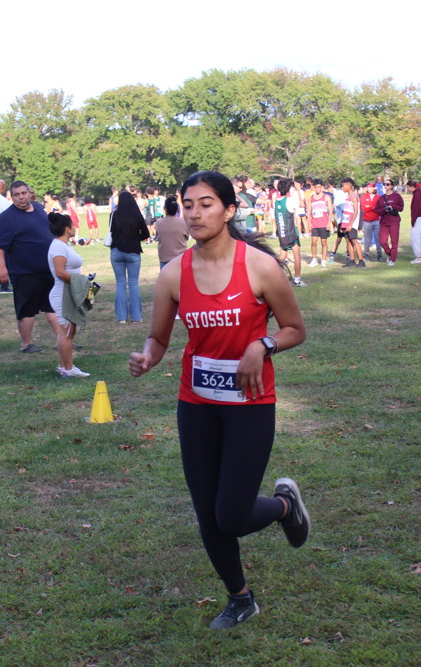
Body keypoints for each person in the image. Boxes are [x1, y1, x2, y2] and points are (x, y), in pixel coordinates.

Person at [128, 170, 309, 631]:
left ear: (229, 211)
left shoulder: (260, 267)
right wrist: (147, 356)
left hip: (250, 404)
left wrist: (262, 345)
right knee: (208, 513)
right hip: (197, 404)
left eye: (206, 204)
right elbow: (158, 338)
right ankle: (240, 598)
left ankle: (284, 506)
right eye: (188, 204)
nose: (195, 213)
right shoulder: (173, 274)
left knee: (232, 514)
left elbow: (294, 329)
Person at [0, 181, 61, 354]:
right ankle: (26, 344)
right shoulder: (6, 218)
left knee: (53, 306)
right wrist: (1, 267)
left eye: (24, 193)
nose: (21, 197)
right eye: (17, 195)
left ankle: (62, 340)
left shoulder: (38, 208)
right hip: (25, 272)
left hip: (48, 268)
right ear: (12, 197)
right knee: (27, 309)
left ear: (29, 193)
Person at [46, 212, 90, 378]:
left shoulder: (64, 245)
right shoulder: (58, 247)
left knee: (69, 331)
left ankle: (64, 366)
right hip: (62, 293)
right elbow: (60, 272)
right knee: (65, 332)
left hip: (69, 291)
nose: (75, 227)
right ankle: (68, 369)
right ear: (67, 229)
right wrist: (81, 281)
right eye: (73, 225)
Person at [109, 190, 150, 324]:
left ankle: (122, 317)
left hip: (116, 251)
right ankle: (136, 317)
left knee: (120, 284)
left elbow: (112, 232)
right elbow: (146, 233)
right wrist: (135, 238)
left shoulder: (114, 214)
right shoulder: (136, 215)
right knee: (133, 284)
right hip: (133, 251)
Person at [273, 178, 306, 285]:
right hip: (291, 232)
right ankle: (297, 280)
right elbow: (302, 205)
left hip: (282, 233)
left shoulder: (277, 201)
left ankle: (268, 270)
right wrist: (298, 190)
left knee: (282, 256)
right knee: (297, 256)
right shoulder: (289, 200)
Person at [154, 197, 189, 269]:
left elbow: (157, 237)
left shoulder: (158, 223)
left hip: (165, 258)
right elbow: (187, 237)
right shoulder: (184, 222)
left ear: (165, 209)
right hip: (180, 258)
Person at [377, 179, 404, 266]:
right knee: (382, 241)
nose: (386, 186)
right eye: (384, 184)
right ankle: (390, 254)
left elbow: (401, 207)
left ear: (392, 186)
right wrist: (384, 210)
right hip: (384, 222)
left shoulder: (397, 196)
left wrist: (392, 207)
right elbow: (377, 210)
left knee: (394, 241)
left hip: (394, 221)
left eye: (388, 184)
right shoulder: (381, 198)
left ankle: (392, 259)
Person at [306, 180, 333, 267]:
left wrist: (329, 223)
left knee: (324, 242)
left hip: (324, 223)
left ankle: (323, 260)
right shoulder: (311, 198)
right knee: (314, 241)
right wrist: (309, 222)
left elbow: (330, 211)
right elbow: (309, 211)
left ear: (321, 187)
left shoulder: (327, 197)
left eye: (319, 187)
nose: (317, 189)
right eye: (315, 187)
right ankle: (314, 259)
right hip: (315, 223)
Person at [360, 182, 382, 262]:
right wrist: (373, 207)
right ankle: (366, 254)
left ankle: (379, 254)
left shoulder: (378, 197)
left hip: (376, 219)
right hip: (367, 220)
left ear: (374, 188)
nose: (369, 189)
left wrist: (369, 206)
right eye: (368, 187)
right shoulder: (364, 196)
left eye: (371, 187)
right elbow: (363, 208)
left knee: (378, 238)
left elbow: (379, 208)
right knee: (367, 238)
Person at [408, 180, 421, 264]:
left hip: (418, 217)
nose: (407, 189)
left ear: (412, 187)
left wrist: (413, 219)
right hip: (418, 217)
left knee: (416, 236)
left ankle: (419, 256)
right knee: (415, 236)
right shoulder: (417, 193)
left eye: (408, 187)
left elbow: (416, 208)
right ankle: (418, 256)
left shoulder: (417, 194)